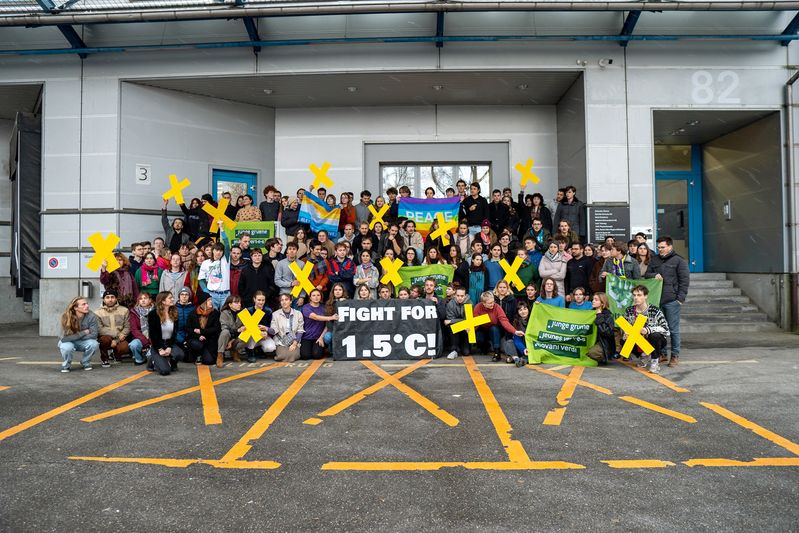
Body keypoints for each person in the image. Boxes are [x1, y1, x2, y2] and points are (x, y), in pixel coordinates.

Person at [645, 236, 690, 367]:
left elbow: (684, 281)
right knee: (659, 329)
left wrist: (680, 299)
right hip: (657, 300)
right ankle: (662, 354)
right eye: (658, 247)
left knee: (673, 330)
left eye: (663, 247)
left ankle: (675, 355)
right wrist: (654, 275)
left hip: (672, 301)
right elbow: (647, 274)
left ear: (670, 246)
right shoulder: (654, 259)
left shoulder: (679, 261)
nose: (660, 249)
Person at [623, 285, 670, 374]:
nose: (636, 298)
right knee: (623, 341)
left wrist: (648, 330)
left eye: (639, 295)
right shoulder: (629, 311)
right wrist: (626, 333)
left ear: (645, 296)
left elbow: (666, 329)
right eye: (634, 295)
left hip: (655, 340)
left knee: (654, 335)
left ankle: (654, 361)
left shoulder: (654, 310)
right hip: (638, 339)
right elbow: (625, 326)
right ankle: (644, 355)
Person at [474, 291, 525, 361]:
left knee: (494, 329)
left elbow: (504, 321)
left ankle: (497, 353)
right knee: (479, 339)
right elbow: (475, 323)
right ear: (483, 303)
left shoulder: (497, 307)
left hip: (495, 329)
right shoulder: (478, 307)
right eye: (490, 303)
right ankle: (485, 346)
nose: (492, 304)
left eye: (493, 302)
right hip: (482, 328)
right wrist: (471, 329)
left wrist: (515, 331)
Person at [147, 291, 186, 376]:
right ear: (163, 301)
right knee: (165, 371)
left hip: (169, 342)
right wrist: (160, 349)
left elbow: (174, 333)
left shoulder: (174, 313)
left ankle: (172, 363)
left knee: (180, 354)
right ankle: (152, 360)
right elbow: (153, 335)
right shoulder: (153, 314)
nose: (173, 299)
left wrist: (169, 347)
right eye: (170, 298)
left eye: (172, 297)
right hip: (157, 345)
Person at [58, 297, 99, 372]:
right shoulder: (66, 317)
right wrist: (84, 332)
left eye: (87, 304)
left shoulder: (91, 316)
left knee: (94, 344)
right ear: (75, 308)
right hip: (68, 342)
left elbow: (94, 334)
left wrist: (74, 336)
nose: (87, 306)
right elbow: (64, 339)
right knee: (67, 347)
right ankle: (66, 365)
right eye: (83, 304)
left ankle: (85, 362)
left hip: (81, 341)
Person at [95, 290, 133, 367]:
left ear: (116, 299)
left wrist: (117, 340)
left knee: (124, 347)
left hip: (120, 337)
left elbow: (127, 326)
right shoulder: (97, 312)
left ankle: (116, 354)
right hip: (106, 336)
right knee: (105, 340)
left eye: (112, 297)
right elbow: (100, 329)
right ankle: (104, 358)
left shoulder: (124, 310)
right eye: (107, 297)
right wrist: (117, 334)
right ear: (103, 299)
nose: (110, 299)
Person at [239, 291, 276, 362]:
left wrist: (266, 332)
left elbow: (270, 326)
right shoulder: (248, 311)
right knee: (251, 331)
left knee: (271, 348)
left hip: (263, 335)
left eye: (263, 300)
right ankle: (250, 351)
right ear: (254, 299)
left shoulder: (268, 311)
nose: (261, 302)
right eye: (259, 300)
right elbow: (243, 326)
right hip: (251, 336)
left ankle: (259, 349)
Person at [186, 291, 221, 366]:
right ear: (203, 302)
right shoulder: (193, 313)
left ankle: (203, 354)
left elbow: (216, 328)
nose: (211, 302)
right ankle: (197, 355)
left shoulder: (215, 313)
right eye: (208, 300)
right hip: (196, 339)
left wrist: (201, 331)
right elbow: (188, 328)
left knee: (209, 361)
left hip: (209, 340)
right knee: (197, 344)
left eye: (211, 299)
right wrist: (198, 336)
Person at [301, 289, 337, 359]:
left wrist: (321, 337)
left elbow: (327, 325)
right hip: (307, 337)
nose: (316, 297)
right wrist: (331, 317)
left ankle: (323, 348)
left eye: (318, 295)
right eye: (313, 295)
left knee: (317, 355)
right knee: (305, 356)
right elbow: (315, 317)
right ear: (310, 297)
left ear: (321, 297)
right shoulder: (306, 307)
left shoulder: (324, 308)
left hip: (318, 337)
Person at [198, 238, 231, 310]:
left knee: (224, 314)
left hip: (225, 295)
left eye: (221, 251)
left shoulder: (225, 260)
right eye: (216, 250)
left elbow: (227, 245)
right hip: (212, 294)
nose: (218, 252)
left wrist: (222, 232)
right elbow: (201, 279)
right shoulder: (205, 263)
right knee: (212, 315)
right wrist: (206, 291)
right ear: (213, 250)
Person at [272, 293, 304, 362]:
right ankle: (282, 353)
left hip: (294, 339)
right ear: (280, 302)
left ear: (290, 301)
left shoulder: (298, 313)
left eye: (286, 299)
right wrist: (267, 329)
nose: (284, 302)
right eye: (282, 300)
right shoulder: (275, 314)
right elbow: (274, 330)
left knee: (294, 356)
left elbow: (300, 330)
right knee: (282, 356)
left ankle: (289, 355)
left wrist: (295, 344)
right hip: (281, 340)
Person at [275, 242, 307, 307]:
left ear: (297, 251)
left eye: (294, 249)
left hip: (297, 295)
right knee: (284, 313)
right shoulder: (280, 263)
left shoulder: (302, 264)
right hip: (284, 294)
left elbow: (304, 281)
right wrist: (291, 284)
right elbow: (277, 281)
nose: (292, 251)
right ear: (287, 251)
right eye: (290, 249)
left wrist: (302, 297)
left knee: (297, 313)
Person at [587, 292, 616, 364]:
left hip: (603, 343)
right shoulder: (591, 313)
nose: (593, 301)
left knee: (592, 353)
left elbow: (606, 332)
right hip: (592, 340)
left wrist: (599, 315)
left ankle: (602, 358)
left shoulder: (608, 315)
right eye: (593, 299)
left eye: (596, 300)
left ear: (602, 303)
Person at [444, 286, 472, 359]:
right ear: (455, 295)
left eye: (462, 296)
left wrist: (452, 321)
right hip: (455, 330)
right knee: (452, 326)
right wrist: (452, 321)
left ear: (465, 296)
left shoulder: (470, 303)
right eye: (458, 295)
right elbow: (450, 319)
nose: (460, 298)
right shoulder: (450, 304)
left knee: (466, 353)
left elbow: (469, 321)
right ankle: (453, 350)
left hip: (465, 330)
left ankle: (460, 346)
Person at [218, 295, 244, 367]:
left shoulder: (242, 313)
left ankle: (234, 351)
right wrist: (237, 330)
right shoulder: (224, 313)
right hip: (226, 337)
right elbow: (224, 328)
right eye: (236, 303)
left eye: (240, 302)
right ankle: (220, 355)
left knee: (246, 334)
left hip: (235, 338)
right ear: (230, 304)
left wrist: (232, 341)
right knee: (225, 332)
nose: (239, 304)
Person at [128, 292, 153, 366]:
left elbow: (157, 328)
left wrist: (151, 341)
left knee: (152, 357)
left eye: (145, 298)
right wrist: (146, 342)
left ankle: (150, 356)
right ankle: (139, 359)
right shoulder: (134, 312)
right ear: (138, 301)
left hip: (153, 338)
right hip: (140, 337)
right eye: (140, 299)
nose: (143, 300)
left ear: (150, 300)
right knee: (133, 345)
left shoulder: (156, 311)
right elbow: (134, 330)